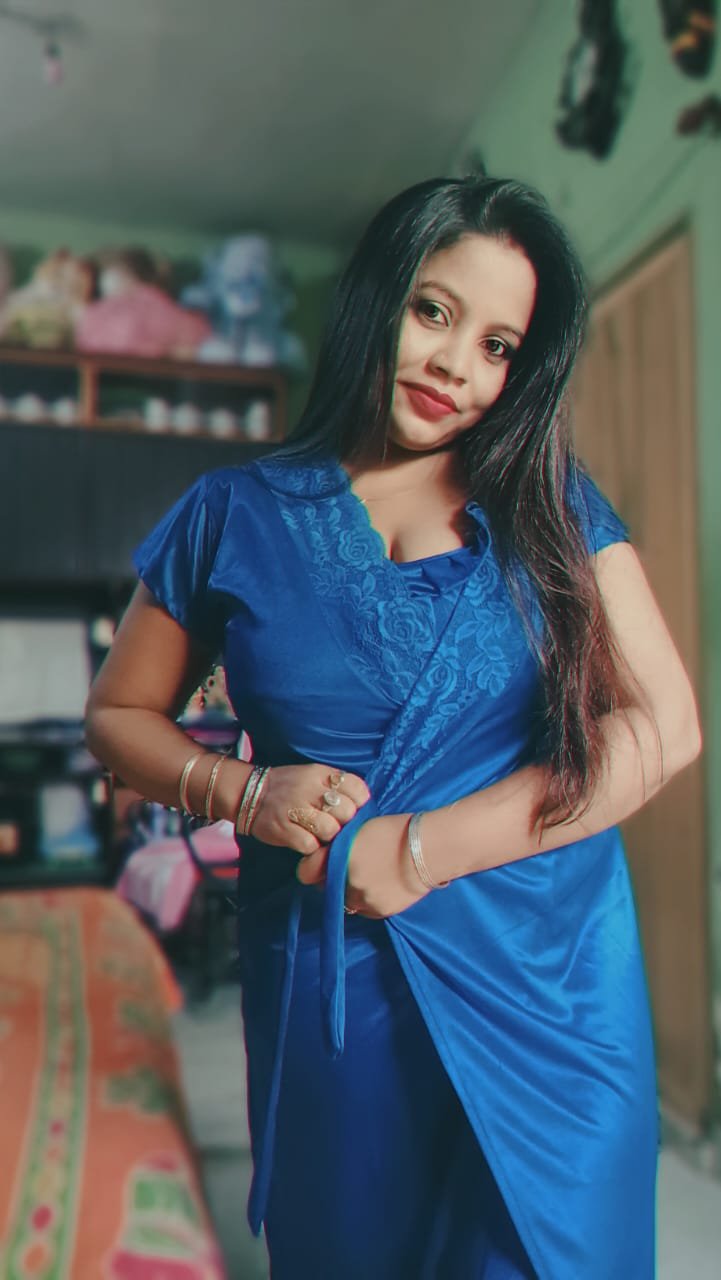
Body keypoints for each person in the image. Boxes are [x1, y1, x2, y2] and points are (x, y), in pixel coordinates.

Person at [85, 176, 701, 1280]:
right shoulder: (232, 512)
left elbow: (666, 727)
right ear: (379, 297)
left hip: (550, 983)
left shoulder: (554, 501)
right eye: (434, 311)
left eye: (498, 345)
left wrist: (419, 850)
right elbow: (118, 716)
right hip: (339, 984)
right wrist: (244, 791)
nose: (456, 363)